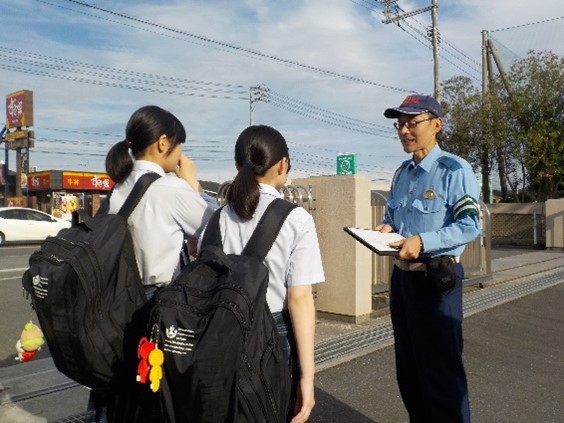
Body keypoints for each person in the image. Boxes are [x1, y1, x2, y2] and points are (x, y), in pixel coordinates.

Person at [88, 105, 216, 423]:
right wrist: (193, 184)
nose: (181, 153)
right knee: (154, 397)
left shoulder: (119, 187)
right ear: (163, 143)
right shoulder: (169, 188)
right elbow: (216, 228)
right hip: (154, 306)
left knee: (119, 391)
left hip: (114, 304)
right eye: (179, 145)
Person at [199, 124, 325, 423]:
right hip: (273, 333)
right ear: (283, 165)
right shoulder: (296, 219)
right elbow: (299, 299)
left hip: (218, 331)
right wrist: (307, 376)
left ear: (237, 166)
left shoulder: (216, 218)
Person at [375, 95, 481, 423]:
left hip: (436, 280)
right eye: (400, 124)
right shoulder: (402, 173)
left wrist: (422, 242)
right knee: (409, 371)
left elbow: (470, 225)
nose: (404, 130)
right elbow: (393, 217)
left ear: (436, 125)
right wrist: (386, 229)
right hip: (403, 280)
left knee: (442, 374)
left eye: (412, 123)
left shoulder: (454, 170)